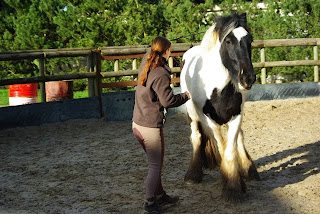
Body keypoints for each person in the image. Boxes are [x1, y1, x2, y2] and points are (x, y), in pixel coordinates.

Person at [132, 36, 190, 213]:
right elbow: (168, 101)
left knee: (156, 162)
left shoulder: (147, 62)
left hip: (137, 124)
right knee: (155, 165)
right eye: (169, 49)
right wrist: (186, 95)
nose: (170, 52)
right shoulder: (161, 72)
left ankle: (159, 194)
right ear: (166, 51)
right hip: (149, 127)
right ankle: (150, 202)